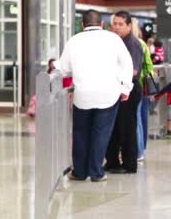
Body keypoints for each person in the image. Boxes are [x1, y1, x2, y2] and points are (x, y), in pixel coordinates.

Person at [56, 9, 133, 182]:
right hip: (108, 94)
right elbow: (127, 63)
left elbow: (64, 68)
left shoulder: (74, 40)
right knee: (101, 133)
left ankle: (79, 172)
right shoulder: (113, 39)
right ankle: (96, 172)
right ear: (102, 24)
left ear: (82, 25)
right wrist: (126, 88)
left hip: (83, 95)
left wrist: (54, 65)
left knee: (80, 133)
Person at [105, 11, 144, 174]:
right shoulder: (116, 42)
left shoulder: (132, 43)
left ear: (129, 26)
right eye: (115, 24)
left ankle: (129, 164)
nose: (117, 27)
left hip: (129, 90)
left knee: (127, 128)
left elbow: (133, 71)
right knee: (114, 127)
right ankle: (112, 162)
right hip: (117, 89)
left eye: (121, 24)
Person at [131, 19, 153, 162]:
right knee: (141, 118)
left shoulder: (133, 44)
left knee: (136, 118)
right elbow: (149, 66)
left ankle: (138, 151)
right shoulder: (143, 44)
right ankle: (141, 148)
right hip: (143, 86)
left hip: (135, 85)